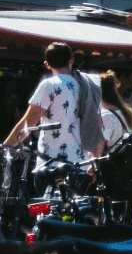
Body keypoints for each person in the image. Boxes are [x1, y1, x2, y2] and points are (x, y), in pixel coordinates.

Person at [3, 41, 95, 173]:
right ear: (71, 60)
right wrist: (94, 159)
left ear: (47, 64)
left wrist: (6, 147)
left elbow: (28, 124)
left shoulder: (49, 85)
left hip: (51, 166)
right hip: (82, 166)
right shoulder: (88, 87)